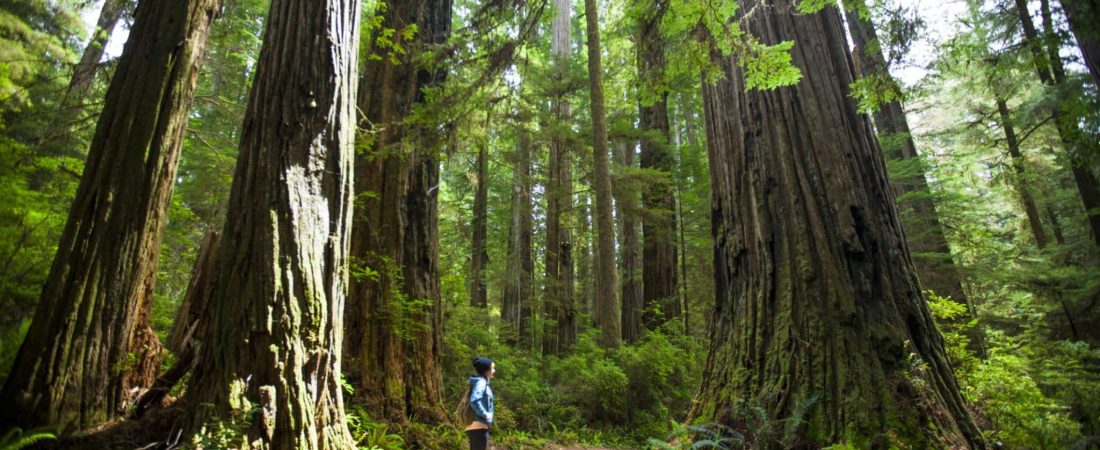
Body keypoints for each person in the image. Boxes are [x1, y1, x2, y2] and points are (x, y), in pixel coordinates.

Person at [466, 357, 495, 450]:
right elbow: (474, 400)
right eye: (492, 368)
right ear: (486, 370)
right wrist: (485, 414)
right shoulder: (481, 382)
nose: (494, 371)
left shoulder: (480, 381)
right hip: (478, 425)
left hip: (476, 426)